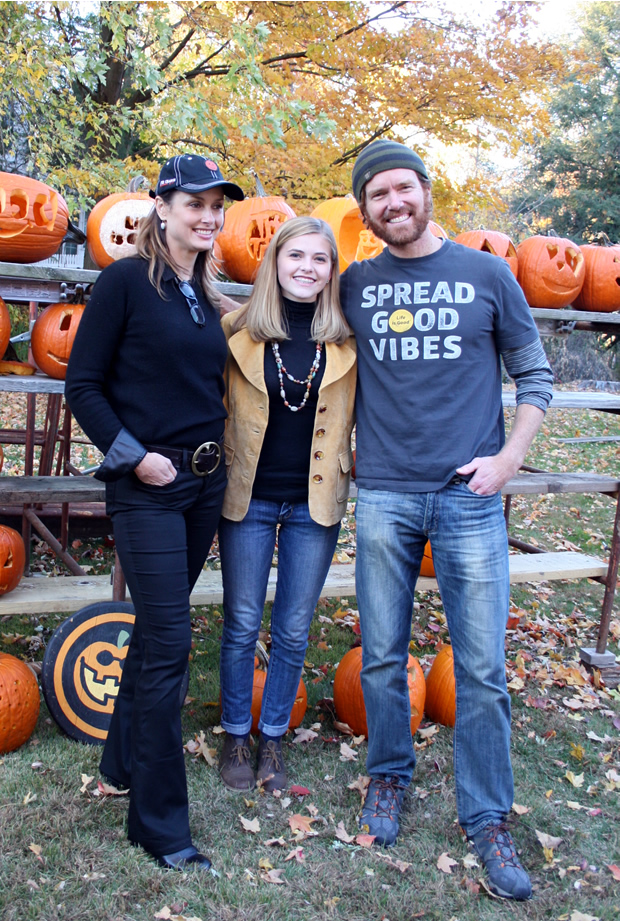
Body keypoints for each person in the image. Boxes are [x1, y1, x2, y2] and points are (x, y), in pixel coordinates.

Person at [340, 139, 553, 900]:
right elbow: (278, 311)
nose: (392, 203)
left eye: (402, 188)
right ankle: (388, 776)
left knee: (484, 670)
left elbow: (535, 376)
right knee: (381, 655)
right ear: (365, 210)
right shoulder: (355, 284)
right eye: (377, 195)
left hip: (470, 496)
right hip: (387, 494)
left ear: (426, 191)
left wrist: (507, 462)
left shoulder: (487, 273)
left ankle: (488, 812)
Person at [65, 153, 244, 872]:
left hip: (205, 484)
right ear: (160, 207)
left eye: (215, 206)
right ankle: (161, 824)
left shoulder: (204, 290)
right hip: (148, 484)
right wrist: (136, 455)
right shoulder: (123, 283)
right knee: (171, 639)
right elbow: (82, 386)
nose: (206, 215)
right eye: (192, 203)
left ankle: (118, 761)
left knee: (156, 631)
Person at [218, 216, 356, 793]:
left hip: (314, 502)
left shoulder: (349, 339)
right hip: (247, 496)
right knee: (243, 623)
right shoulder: (235, 329)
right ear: (274, 261)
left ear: (331, 270)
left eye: (320, 259)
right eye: (295, 255)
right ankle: (233, 734)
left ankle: (273, 736)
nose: (307, 267)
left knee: (295, 628)